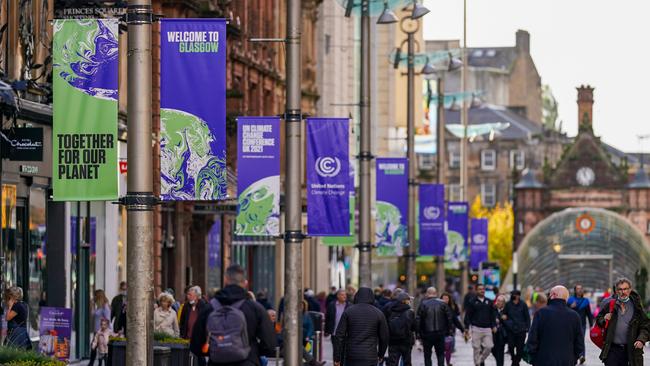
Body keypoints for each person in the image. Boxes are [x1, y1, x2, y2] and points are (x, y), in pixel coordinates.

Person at [190, 264, 276, 366]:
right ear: (245, 283)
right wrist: (252, 351)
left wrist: (217, 350)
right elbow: (270, 345)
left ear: (225, 280)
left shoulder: (209, 308)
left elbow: (195, 345)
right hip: (247, 362)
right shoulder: (255, 309)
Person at [595, 277, 650, 366]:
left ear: (630, 290)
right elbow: (598, 319)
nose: (623, 292)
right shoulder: (610, 305)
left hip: (631, 351)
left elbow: (646, 326)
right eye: (620, 289)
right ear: (616, 291)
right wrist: (604, 319)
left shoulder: (637, 307)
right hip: (612, 351)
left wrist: (641, 340)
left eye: (625, 289)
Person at [525, 285, 584, 366]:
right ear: (566, 298)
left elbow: (532, 338)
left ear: (552, 295)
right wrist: (574, 358)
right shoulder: (574, 316)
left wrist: (534, 357)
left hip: (542, 360)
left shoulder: (541, 313)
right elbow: (579, 343)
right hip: (567, 360)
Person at [333, 287, 389, 366]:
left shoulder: (348, 311)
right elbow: (384, 337)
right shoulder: (378, 313)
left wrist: (337, 357)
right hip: (370, 356)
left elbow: (339, 336)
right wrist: (381, 354)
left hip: (352, 356)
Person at [417, 287, 453, 366]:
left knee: (427, 355)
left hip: (427, 334)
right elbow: (449, 318)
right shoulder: (443, 304)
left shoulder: (423, 304)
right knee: (440, 354)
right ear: (436, 293)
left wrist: (418, 333)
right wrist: (448, 331)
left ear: (427, 293)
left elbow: (418, 319)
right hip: (440, 333)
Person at [464, 284, 496, 366]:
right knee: (476, 348)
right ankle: (477, 364)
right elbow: (468, 315)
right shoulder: (472, 301)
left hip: (487, 328)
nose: (482, 290)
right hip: (476, 328)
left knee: (489, 347)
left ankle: (480, 360)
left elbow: (492, 315)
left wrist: (494, 326)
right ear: (476, 290)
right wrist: (466, 328)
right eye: (480, 289)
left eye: (483, 289)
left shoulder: (489, 301)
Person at [180, 286, 210, 365]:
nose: (188, 297)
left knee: (200, 360)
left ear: (196, 297)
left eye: (190, 295)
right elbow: (182, 322)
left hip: (199, 340)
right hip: (187, 338)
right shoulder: (186, 306)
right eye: (188, 295)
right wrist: (182, 333)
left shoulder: (204, 306)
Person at [386, 292, 416, 366]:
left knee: (393, 362)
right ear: (404, 301)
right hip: (406, 341)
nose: (409, 301)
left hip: (393, 341)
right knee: (406, 362)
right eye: (408, 300)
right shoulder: (410, 312)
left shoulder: (390, 310)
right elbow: (414, 327)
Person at [503, 290, 530, 366]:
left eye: (514, 294)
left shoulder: (523, 304)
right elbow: (504, 314)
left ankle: (516, 362)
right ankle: (514, 359)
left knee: (520, 348)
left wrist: (528, 327)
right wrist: (505, 319)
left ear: (518, 296)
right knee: (510, 346)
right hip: (511, 329)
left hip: (521, 330)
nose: (513, 296)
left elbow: (527, 317)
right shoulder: (508, 304)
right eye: (512, 294)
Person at [440, 292, 465, 366]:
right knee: (441, 350)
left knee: (448, 349)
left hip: (448, 331)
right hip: (438, 332)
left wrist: (462, 330)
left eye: (446, 299)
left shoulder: (451, 309)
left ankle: (448, 363)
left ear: (449, 300)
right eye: (443, 298)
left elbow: (456, 321)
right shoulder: (437, 308)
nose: (445, 300)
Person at [89, 289, 112, 366]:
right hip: (97, 331)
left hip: (102, 332)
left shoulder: (105, 306)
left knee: (101, 348)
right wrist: (92, 305)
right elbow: (93, 314)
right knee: (95, 347)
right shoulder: (99, 307)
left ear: (98, 296)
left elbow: (108, 319)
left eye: (95, 295)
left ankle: (94, 363)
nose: (94, 297)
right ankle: (93, 363)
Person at [492, 295, 508, 366]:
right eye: (497, 300)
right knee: (493, 349)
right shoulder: (493, 309)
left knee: (500, 351)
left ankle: (500, 364)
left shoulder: (506, 311)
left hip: (502, 334)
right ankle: (499, 363)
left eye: (500, 301)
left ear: (503, 303)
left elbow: (509, 320)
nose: (498, 302)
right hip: (493, 333)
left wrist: (502, 319)